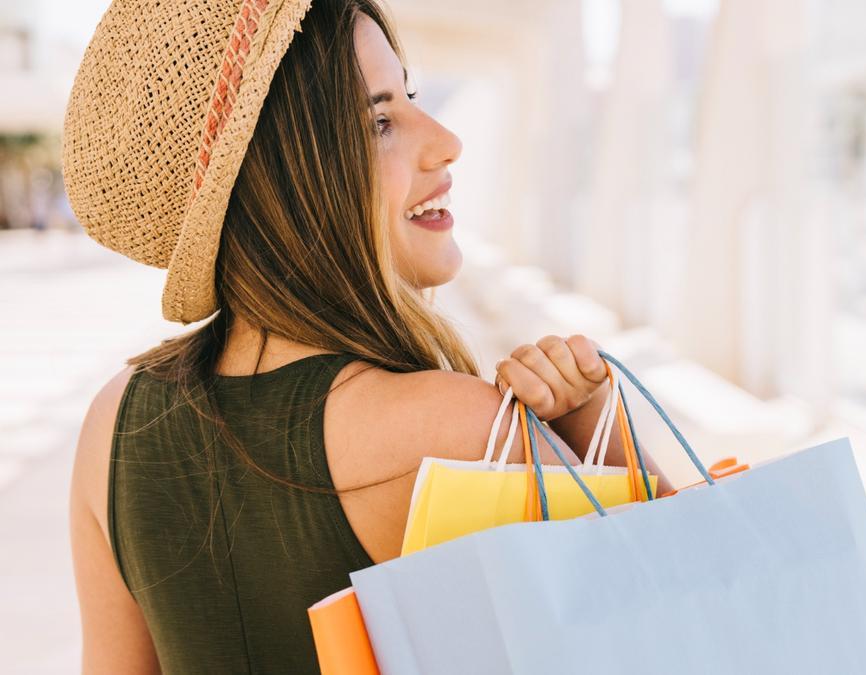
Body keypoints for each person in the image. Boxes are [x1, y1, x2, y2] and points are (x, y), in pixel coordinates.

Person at [62, 1, 665, 672]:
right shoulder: (461, 432)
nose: (444, 139)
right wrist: (592, 427)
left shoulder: (114, 426)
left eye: (409, 97)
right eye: (380, 121)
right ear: (287, 178)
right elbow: (686, 618)